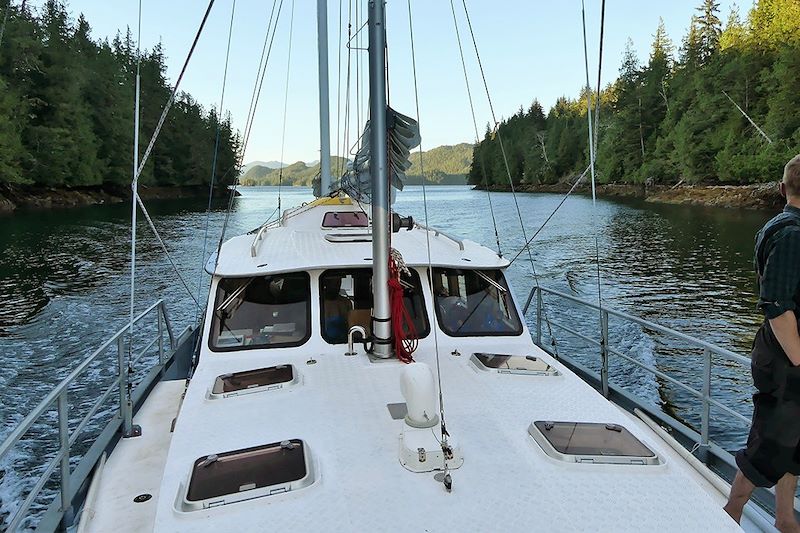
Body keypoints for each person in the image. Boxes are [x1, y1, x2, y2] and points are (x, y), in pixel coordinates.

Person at [725, 154, 800, 532]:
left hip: (784, 359)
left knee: (793, 448)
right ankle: (727, 517)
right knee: (767, 448)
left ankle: (786, 519)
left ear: (783, 188)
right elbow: (776, 305)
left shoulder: (781, 226)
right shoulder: (792, 234)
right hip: (788, 365)